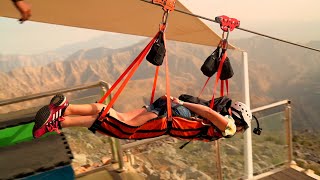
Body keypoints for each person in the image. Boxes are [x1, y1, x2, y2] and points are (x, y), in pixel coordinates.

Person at [32, 94, 252, 139]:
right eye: (242, 127)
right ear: (238, 120)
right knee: (123, 127)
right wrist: (181, 103)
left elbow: (205, 115)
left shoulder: (222, 125)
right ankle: (60, 116)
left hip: (169, 110)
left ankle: (64, 112)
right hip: (171, 112)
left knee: (116, 118)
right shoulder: (229, 128)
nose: (239, 131)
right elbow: (207, 112)